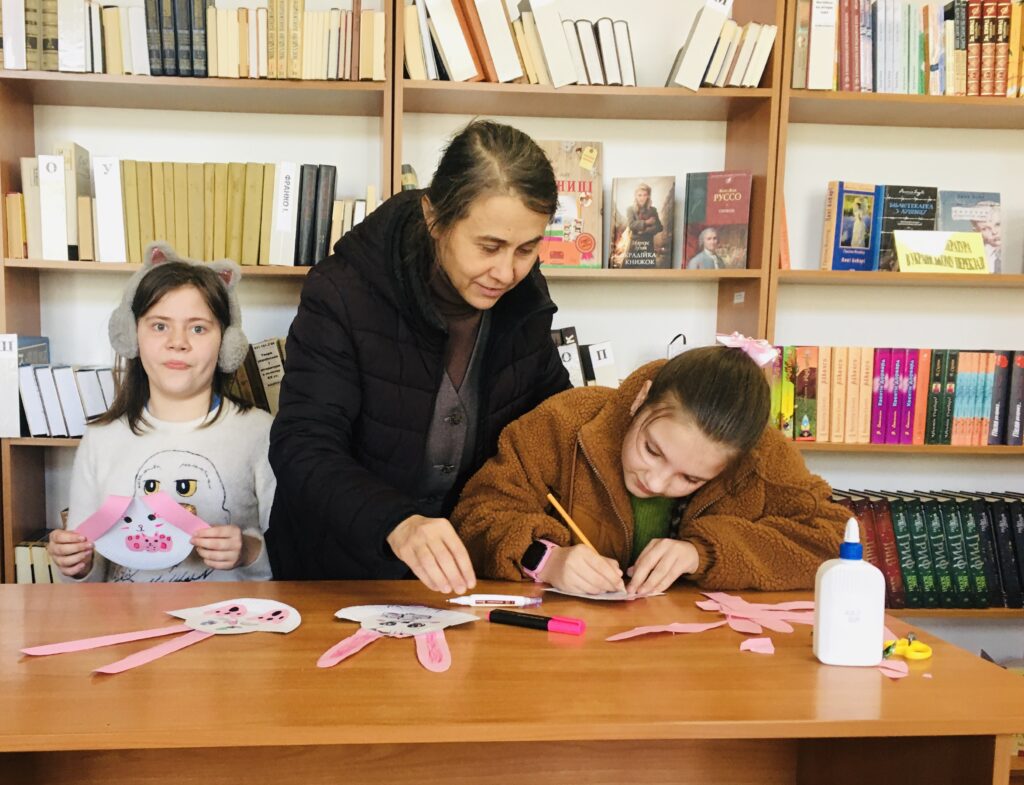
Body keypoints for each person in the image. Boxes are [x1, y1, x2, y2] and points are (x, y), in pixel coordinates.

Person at [266, 120, 571, 592]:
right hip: (334, 576)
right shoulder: (342, 291)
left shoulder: (523, 301)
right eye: (488, 247)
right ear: (434, 217)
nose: (506, 272)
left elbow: (558, 423)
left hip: (466, 579)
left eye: (527, 249)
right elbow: (302, 444)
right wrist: (397, 522)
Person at [451, 339, 848, 597]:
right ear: (641, 399)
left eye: (690, 478)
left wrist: (703, 553)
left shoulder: (761, 457)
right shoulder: (563, 422)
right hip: (562, 652)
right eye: (652, 450)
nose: (655, 482)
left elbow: (833, 542)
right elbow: (476, 515)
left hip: (695, 663)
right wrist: (546, 560)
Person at [47, 244, 275, 582]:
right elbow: (84, 578)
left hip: (232, 614)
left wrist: (248, 551)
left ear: (226, 343)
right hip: (125, 614)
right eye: (159, 326)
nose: (177, 342)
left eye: (198, 328)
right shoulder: (100, 438)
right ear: (131, 335)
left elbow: (294, 557)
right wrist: (76, 564)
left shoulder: (259, 432)